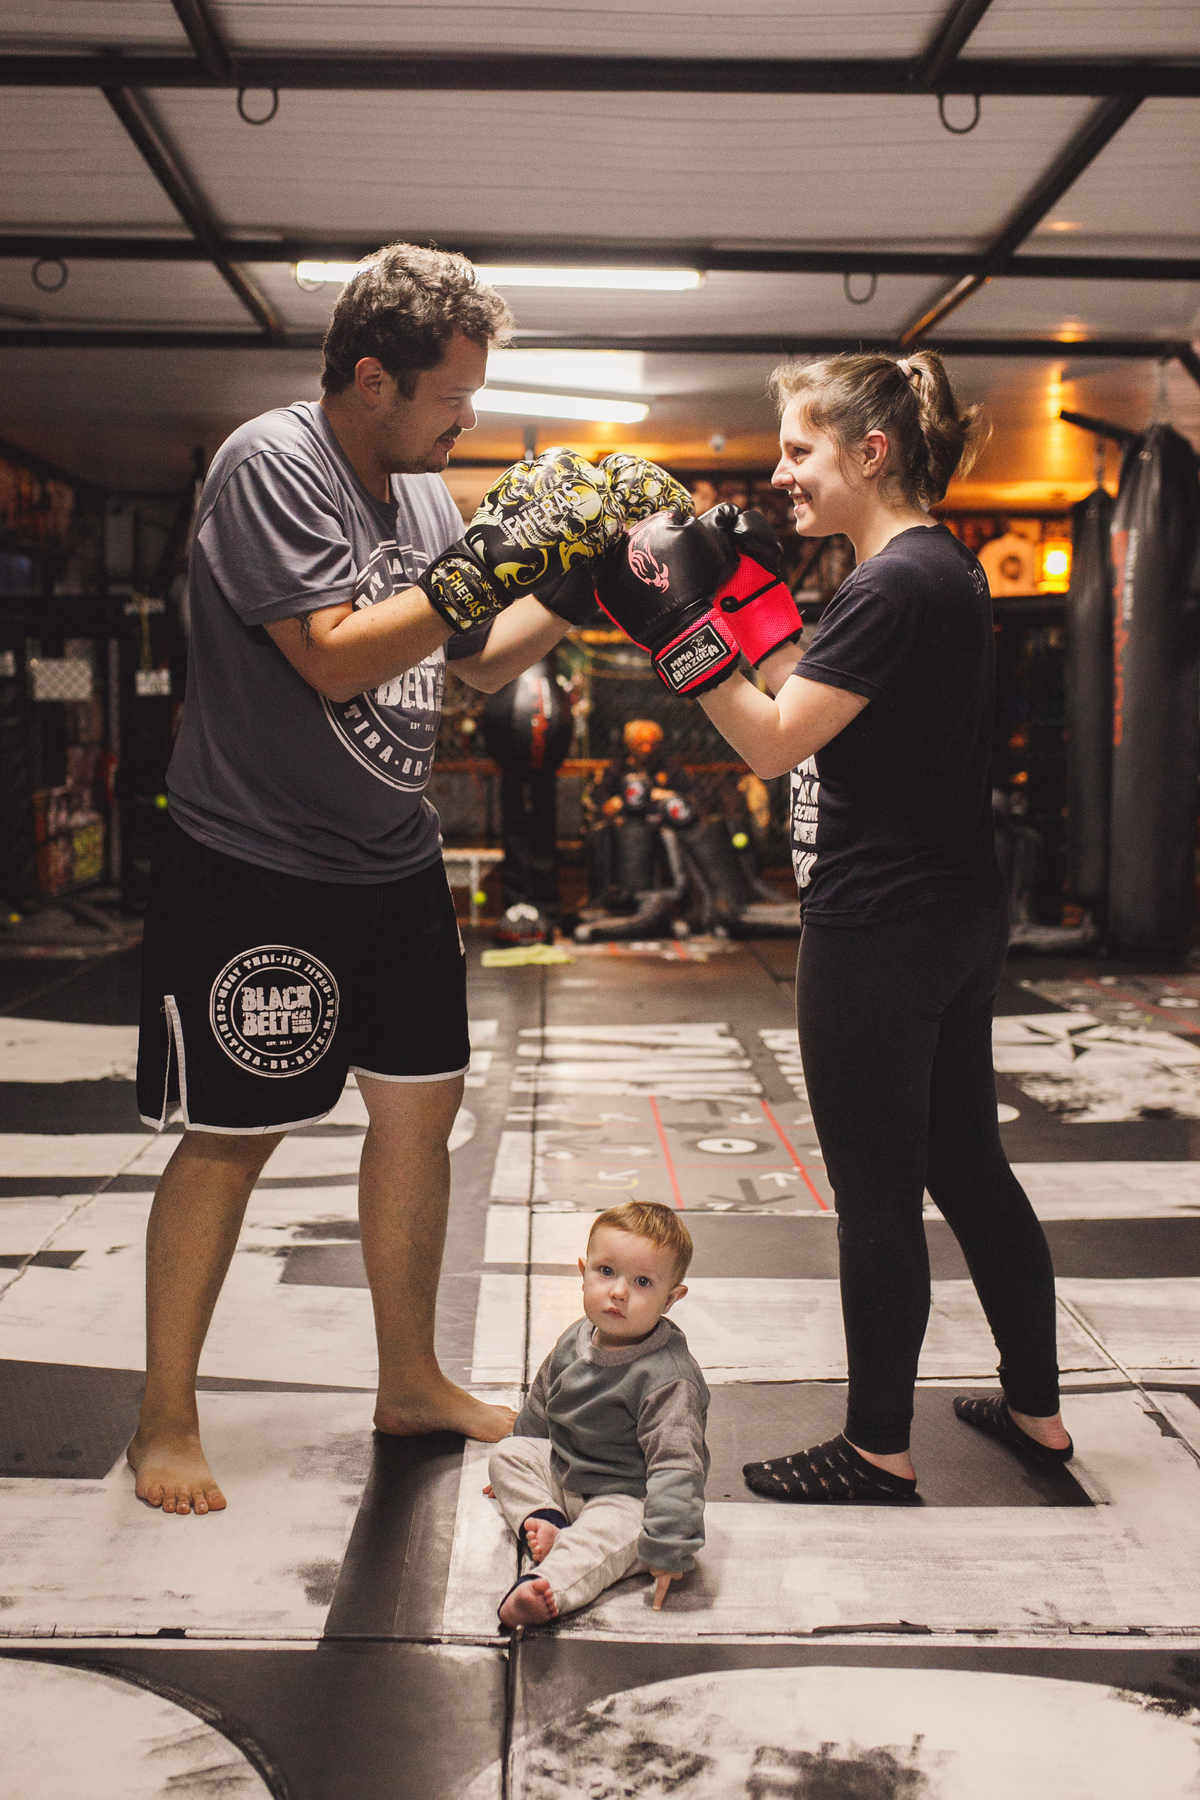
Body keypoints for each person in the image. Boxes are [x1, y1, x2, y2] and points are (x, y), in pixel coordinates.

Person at [130, 242, 665, 1517]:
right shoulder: (272, 464)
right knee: (236, 1134)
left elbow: (473, 660)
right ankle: (163, 1418)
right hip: (255, 866)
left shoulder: (424, 495)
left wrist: (584, 582)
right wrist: (481, 567)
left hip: (392, 865)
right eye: (449, 397)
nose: (466, 418)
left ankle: (410, 1378)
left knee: (422, 1114)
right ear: (372, 378)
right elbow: (330, 659)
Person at [591, 350, 1073, 1502]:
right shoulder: (936, 573)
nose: (780, 473)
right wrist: (755, 603)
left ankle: (876, 1447)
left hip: (881, 921)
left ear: (872, 452)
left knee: (873, 1189)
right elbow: (826, 702)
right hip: (953, 906)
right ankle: (1039, 1413)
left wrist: (680, 629)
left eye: (800, 450)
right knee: (969, 1164)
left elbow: (769, 741)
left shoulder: (892, 584)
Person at [485, 1201, 708, 1627]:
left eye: (642, 1282)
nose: (619, 1292)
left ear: (671, 1299)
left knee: (601, 1540)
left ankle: (546, 1585)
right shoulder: (577, 1338)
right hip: (569, 1472)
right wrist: (527, 1456)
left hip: (628, 1497)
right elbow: (542, 1403)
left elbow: (677, 1465)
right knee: (507, 1454)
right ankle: (544, 1517)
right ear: (583, 1270)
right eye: (606, 1272)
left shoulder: (668, 1378)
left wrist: (668, 1548)